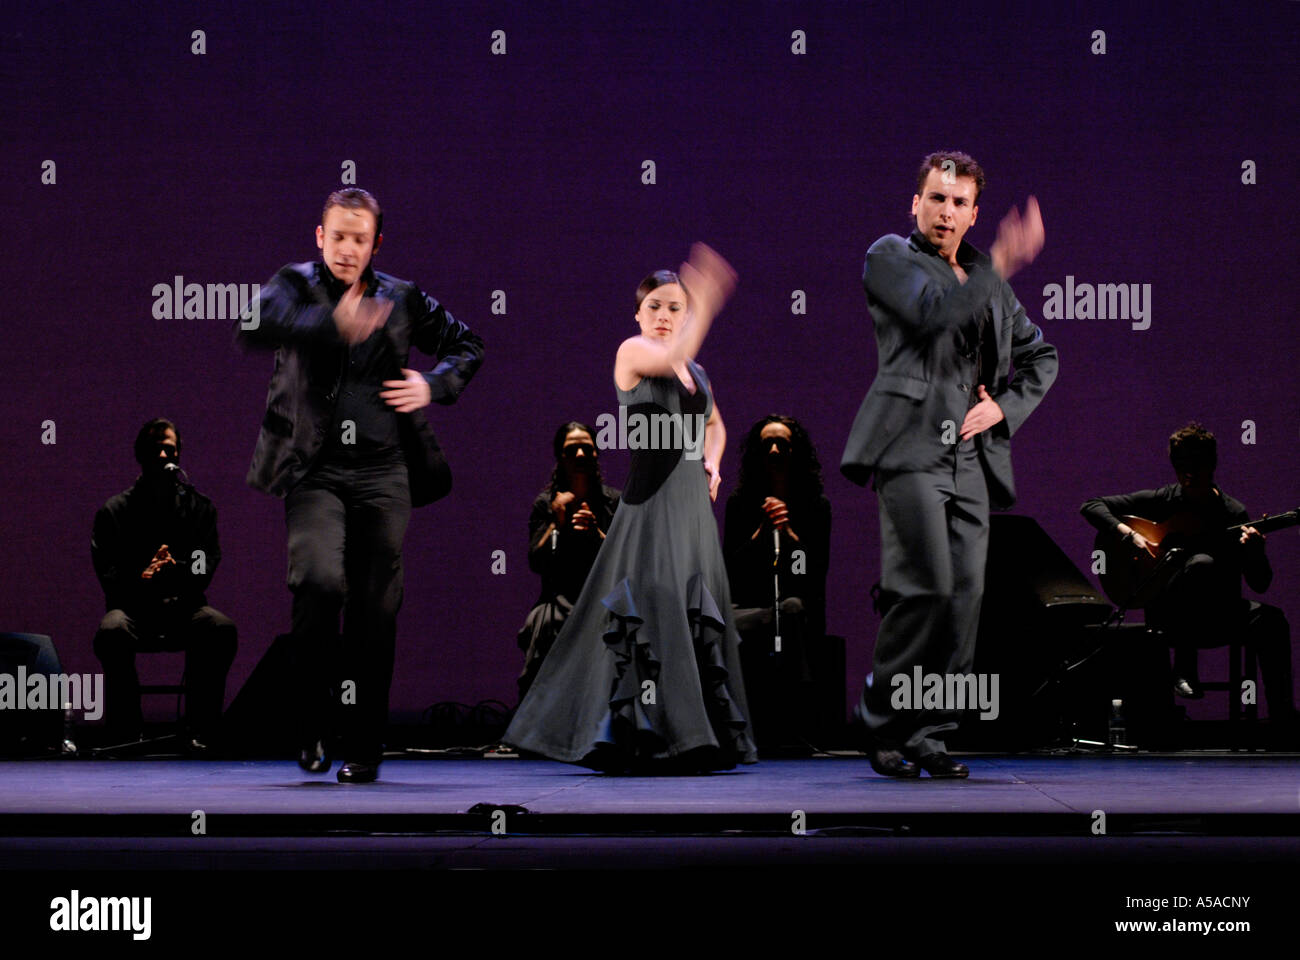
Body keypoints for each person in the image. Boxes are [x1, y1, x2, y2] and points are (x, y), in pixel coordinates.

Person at [235, 187, 484, 783]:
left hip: (382, 471)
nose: (348, 249)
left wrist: (435, 384)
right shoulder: (295, 285)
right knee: (319, 583)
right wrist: (332, 323)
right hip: (314, 469)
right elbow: (257, 325)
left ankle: (366, 746)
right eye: (337, 237)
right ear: (320, 237)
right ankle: (311, 725)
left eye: (360, 239)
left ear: (376, 243)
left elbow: (467, 344)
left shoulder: (401, 296)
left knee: (376, 609)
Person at [840, 150, 1058, 778]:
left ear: (973, 213)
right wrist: (1008, 263)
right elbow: (933, 320)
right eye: (936, 198)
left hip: (970, 459)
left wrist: (1005, 410)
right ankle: (879, 723)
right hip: (910, 449)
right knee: (925, 588)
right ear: (917, 203)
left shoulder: (988, 277)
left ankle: (930, 733)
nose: (946, 211)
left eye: (958, 203)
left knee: (963, 601)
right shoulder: (888, 257)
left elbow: (1041, 356)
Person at [504, 245, 757, 772]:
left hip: (692, 507)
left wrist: (712, 464)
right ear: (639, 314)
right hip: (654, 501)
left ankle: (697, 734)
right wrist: (706, 300)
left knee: (692, 610)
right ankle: (647, 734)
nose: (666, 316)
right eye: (657, 307)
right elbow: (667, 358)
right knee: (653, 608)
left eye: (676, 308)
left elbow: (715, 424)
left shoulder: (699, 372)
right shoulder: (633, 353)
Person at [1081, 422, 1294, 723]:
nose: (1189, 472)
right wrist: (1130, 535)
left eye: (1197, 464)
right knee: (1200, 564)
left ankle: (1283, 719)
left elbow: (1260, 584)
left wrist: (1255, 552)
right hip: (1169, 615)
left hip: (1219, 613)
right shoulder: (1162, 501)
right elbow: (1091, 506)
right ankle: (1183, 666)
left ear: (1212, 465)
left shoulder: (1233, 513)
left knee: (1271, 621)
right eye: (1181, 465)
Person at [92, 418, 237, 752]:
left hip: (183, 608)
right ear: (140, 456)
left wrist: (177, 569)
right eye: (154, 449)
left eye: (168, 449)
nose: (161, 454)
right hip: (133, 611)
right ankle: (126, 732)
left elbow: (206, 564)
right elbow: (108, 574)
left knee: (219, 627)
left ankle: (202, 729)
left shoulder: (200, 508)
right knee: (112, 630)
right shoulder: (114, 511)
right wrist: (145, 575)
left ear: (178, 455)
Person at [724, 415, 831, 749]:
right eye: (766, 444)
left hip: (796, 603)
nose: (773, 450)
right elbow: (733, 571)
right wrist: (760, 534)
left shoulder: (816, 506)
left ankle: (795, 723)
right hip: (749, 604)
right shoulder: (739, 504)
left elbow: (811, 574)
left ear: (794, 452)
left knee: (793, 609)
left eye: (781, 444)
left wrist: (788, 535)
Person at [515, 421, 621, 699]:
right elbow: (537, 562)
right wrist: (558, 524)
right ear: (560, 458)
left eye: (587, 449)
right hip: (559, 596)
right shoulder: (546, 503)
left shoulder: (614, 502)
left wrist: (597, 531)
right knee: (546, 621)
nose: (580, 456)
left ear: (597, 453)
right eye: (571, 450)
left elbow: (627, 561)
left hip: (606, 596)